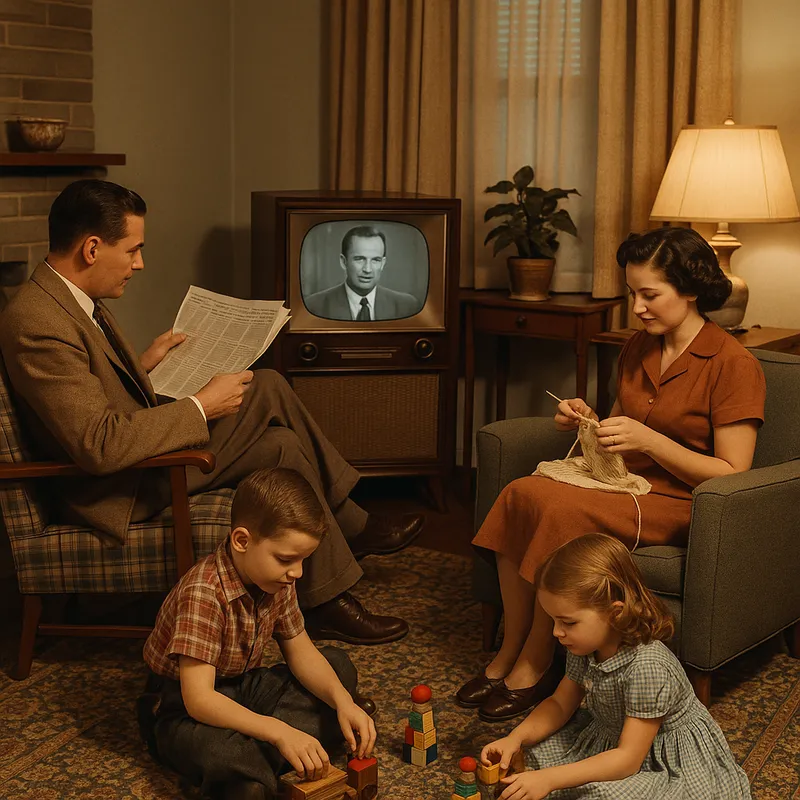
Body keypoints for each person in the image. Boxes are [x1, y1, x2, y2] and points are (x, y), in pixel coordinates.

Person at [0, 179, 425, 645]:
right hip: (113, 489)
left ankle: (325, 597)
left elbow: (86, 398)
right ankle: (349, 522)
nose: (139, 264)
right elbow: (98, 446)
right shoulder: (37, 320)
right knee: (267, 386)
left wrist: (143, 367)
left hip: (130, 467)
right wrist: (202, 405)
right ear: (92, 248)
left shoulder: (66, 300)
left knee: (280, 445)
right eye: (134, 250)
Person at [457, 226, 766, 721]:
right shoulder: (638, 347)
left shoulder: (733, 364)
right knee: (522, 492)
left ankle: (535, 665)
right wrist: (586, 421)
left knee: (558, 508)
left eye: (650, 294)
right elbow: (622, 429)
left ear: (690, 289)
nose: (638, 307)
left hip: (679, 499)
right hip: (622, 482)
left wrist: (652, 442)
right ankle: (507, 649)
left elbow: (732, 473)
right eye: (632, 293)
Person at [139, 467, 378, 800]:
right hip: (181, 709)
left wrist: (343, 702)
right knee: (227, 753)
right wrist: (279, 731)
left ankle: (252, 768)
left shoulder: (278, 579)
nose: (296, 572)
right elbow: (200, 700)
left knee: (338, 667)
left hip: (245, 686)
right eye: (286, 559)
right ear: (241, 541)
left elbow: (302, 652)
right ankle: (256, 762)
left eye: (303, 560)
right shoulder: (203, 592)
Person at [481, 533, 752, 800]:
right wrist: (515, 738)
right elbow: (560, 704)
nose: (556, 632)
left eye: (568, 622)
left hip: (659, 760)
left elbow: (627, 760)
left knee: (594, 793)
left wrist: (551, 780)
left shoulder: (648, 667)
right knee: (535, 758)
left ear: (616, 612)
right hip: (612, 738)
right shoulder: (583, 646)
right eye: (553, 620)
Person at [304, 225, 421, 321]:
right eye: (359, 259)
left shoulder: (407, 306)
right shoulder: (314, 306)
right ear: (344, 262)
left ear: (383, 263)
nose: (368, 269)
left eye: (376, 260)